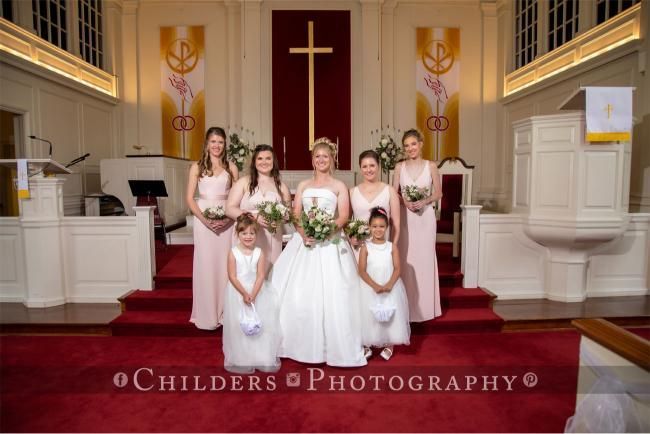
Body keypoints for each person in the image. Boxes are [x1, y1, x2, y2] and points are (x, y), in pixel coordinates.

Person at [271, 137, 367, 367]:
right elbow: (296, 214)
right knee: (300, 292)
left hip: (330, 241)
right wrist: (304, 233)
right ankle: (298, 342)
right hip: (305, 242)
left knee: (335, 292)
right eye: (317, 157)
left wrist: (327, 230)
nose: (321, 160)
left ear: (332, 159)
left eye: (325, 156)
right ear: (312, 160)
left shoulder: (339, 186)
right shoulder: (303, 185)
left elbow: (343, 215)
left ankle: (333, 344)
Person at [186, 127, 239, 330]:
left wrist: (227, 219)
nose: (217, 146)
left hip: (227, 221)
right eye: (213, 141)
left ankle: (227, 312)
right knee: (206, 265)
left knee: (226, 266)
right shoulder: (196, 167)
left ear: (225, 145)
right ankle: (207, 313)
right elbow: (190, 199)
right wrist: (204, 220)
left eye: (221, 142)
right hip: (203, 221)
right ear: (207, 143)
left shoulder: (231, 167)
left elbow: (238, 197)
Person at [392, 129, 443, 322]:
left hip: (425, 218)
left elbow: (439, 193)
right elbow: (393, 192)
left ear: (421, 144)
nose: (410, 148)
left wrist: (425, 201)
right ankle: (406, 308)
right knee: (406, 259)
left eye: (413, 144)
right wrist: (404, 201)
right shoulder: (399, 167)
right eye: (406, 146)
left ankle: (426, 308)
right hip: (405, 218)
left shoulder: (431, 166)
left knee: (424, 259)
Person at [222, 214, 281, 374]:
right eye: (244, 233)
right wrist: (244, 293)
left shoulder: (259, 252)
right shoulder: (233, 253)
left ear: (256, 234)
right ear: (237, 234)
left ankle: (259, 356)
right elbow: (232, 276)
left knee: (259, 323)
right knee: (239, 324)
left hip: (257, 290)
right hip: (237, 292)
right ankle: (242, 357)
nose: (248, 236)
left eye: (252, 233)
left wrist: (253, 294)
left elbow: (261, 275)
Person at [226, 144, 291, 274]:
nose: (264, 162)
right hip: (247, 233)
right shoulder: (244, 182)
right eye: (260, 158)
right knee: (247, 274)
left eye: (268, 158)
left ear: (274, 161)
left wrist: (279, 219)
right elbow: (229, 209)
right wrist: (254, 217)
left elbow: (288, 213)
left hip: (272, 235)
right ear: (254, 162)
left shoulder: (281, 186)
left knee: (270, 273)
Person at [358, 207, 410, 360]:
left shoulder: (391, 247)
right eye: (374, 226)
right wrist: (374, 285)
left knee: (390, 314)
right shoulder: (365, 247)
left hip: (390, 286)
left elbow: (397, 268)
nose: (378, 230)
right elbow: (361, 270)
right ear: (369, 227)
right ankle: (368, 342)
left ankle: (389, 343)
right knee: (369, 314)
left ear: (387, 227)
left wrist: (389, 284)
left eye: (381, 226)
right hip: (370, 287)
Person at [349, 150, 401, 251]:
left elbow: (396, 225)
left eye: (372, 165)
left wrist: (392, 249)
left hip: (383, 248)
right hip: (359, 247)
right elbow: (346, 222)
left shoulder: (390, 191)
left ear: (378, 166)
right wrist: (350, 237)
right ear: (360, 168)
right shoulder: (352, 192)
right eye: (364, 166)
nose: (368, 170)